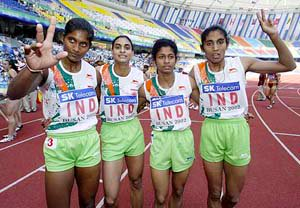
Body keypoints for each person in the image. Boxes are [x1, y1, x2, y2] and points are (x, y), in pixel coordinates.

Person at [190, 10, 296, 208]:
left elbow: (288, 65)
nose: (215, 48)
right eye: (209, 43)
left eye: (220, 42)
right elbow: (185, 89)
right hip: (211, 130)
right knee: (214, 193)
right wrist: (204, 104)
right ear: (203, 47)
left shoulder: (241, 63)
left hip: (237, 130)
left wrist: (273, 35)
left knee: (232, 197)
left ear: (227, 45)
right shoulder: (196, 70)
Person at [7, 17, 101, 208]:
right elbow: (13, 93)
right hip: (59, 144)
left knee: (89, 202)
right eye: (72, 40)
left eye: (83, 44)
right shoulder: (48, 69)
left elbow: (94, 104)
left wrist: (68, 115)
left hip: (89, 141)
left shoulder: (94, 73)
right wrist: (32, 68)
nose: (76, 48)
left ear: (89, 47)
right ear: (62, 38)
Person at [138, 38, 199, 207]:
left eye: (170, 56)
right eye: (161, 57)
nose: (166, 61)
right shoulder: (146, 87)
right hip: (160, 141)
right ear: (154, 60)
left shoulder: (187, 82)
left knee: (178, 191)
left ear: (175, 59)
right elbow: (132, 110)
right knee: (160, 197)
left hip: (183, 140)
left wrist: (238, 114)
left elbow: (207, 105)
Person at [97, 35, 145, 208]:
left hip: (133, 130)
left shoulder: (139, 75)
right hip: (110, 131)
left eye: (126, 47)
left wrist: (134, 108)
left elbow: (143, 98)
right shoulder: (100, 72)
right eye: (118, 46)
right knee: (110, 198)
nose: (122, 50)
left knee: (137, 181)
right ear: (112, 50)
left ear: (132, 52)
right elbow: (92, 95)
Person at [0, 59, 23, 142]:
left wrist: (9, 91)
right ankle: (12, 133)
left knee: (11, 115)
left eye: (5, 64)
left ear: (10, 65)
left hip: (13, 95)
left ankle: (10, 136)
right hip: (12, 95)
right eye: (2, 63)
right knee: (12, 114)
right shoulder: (8, 72)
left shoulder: (11, 71)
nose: (3, 65)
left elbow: (17, 82)